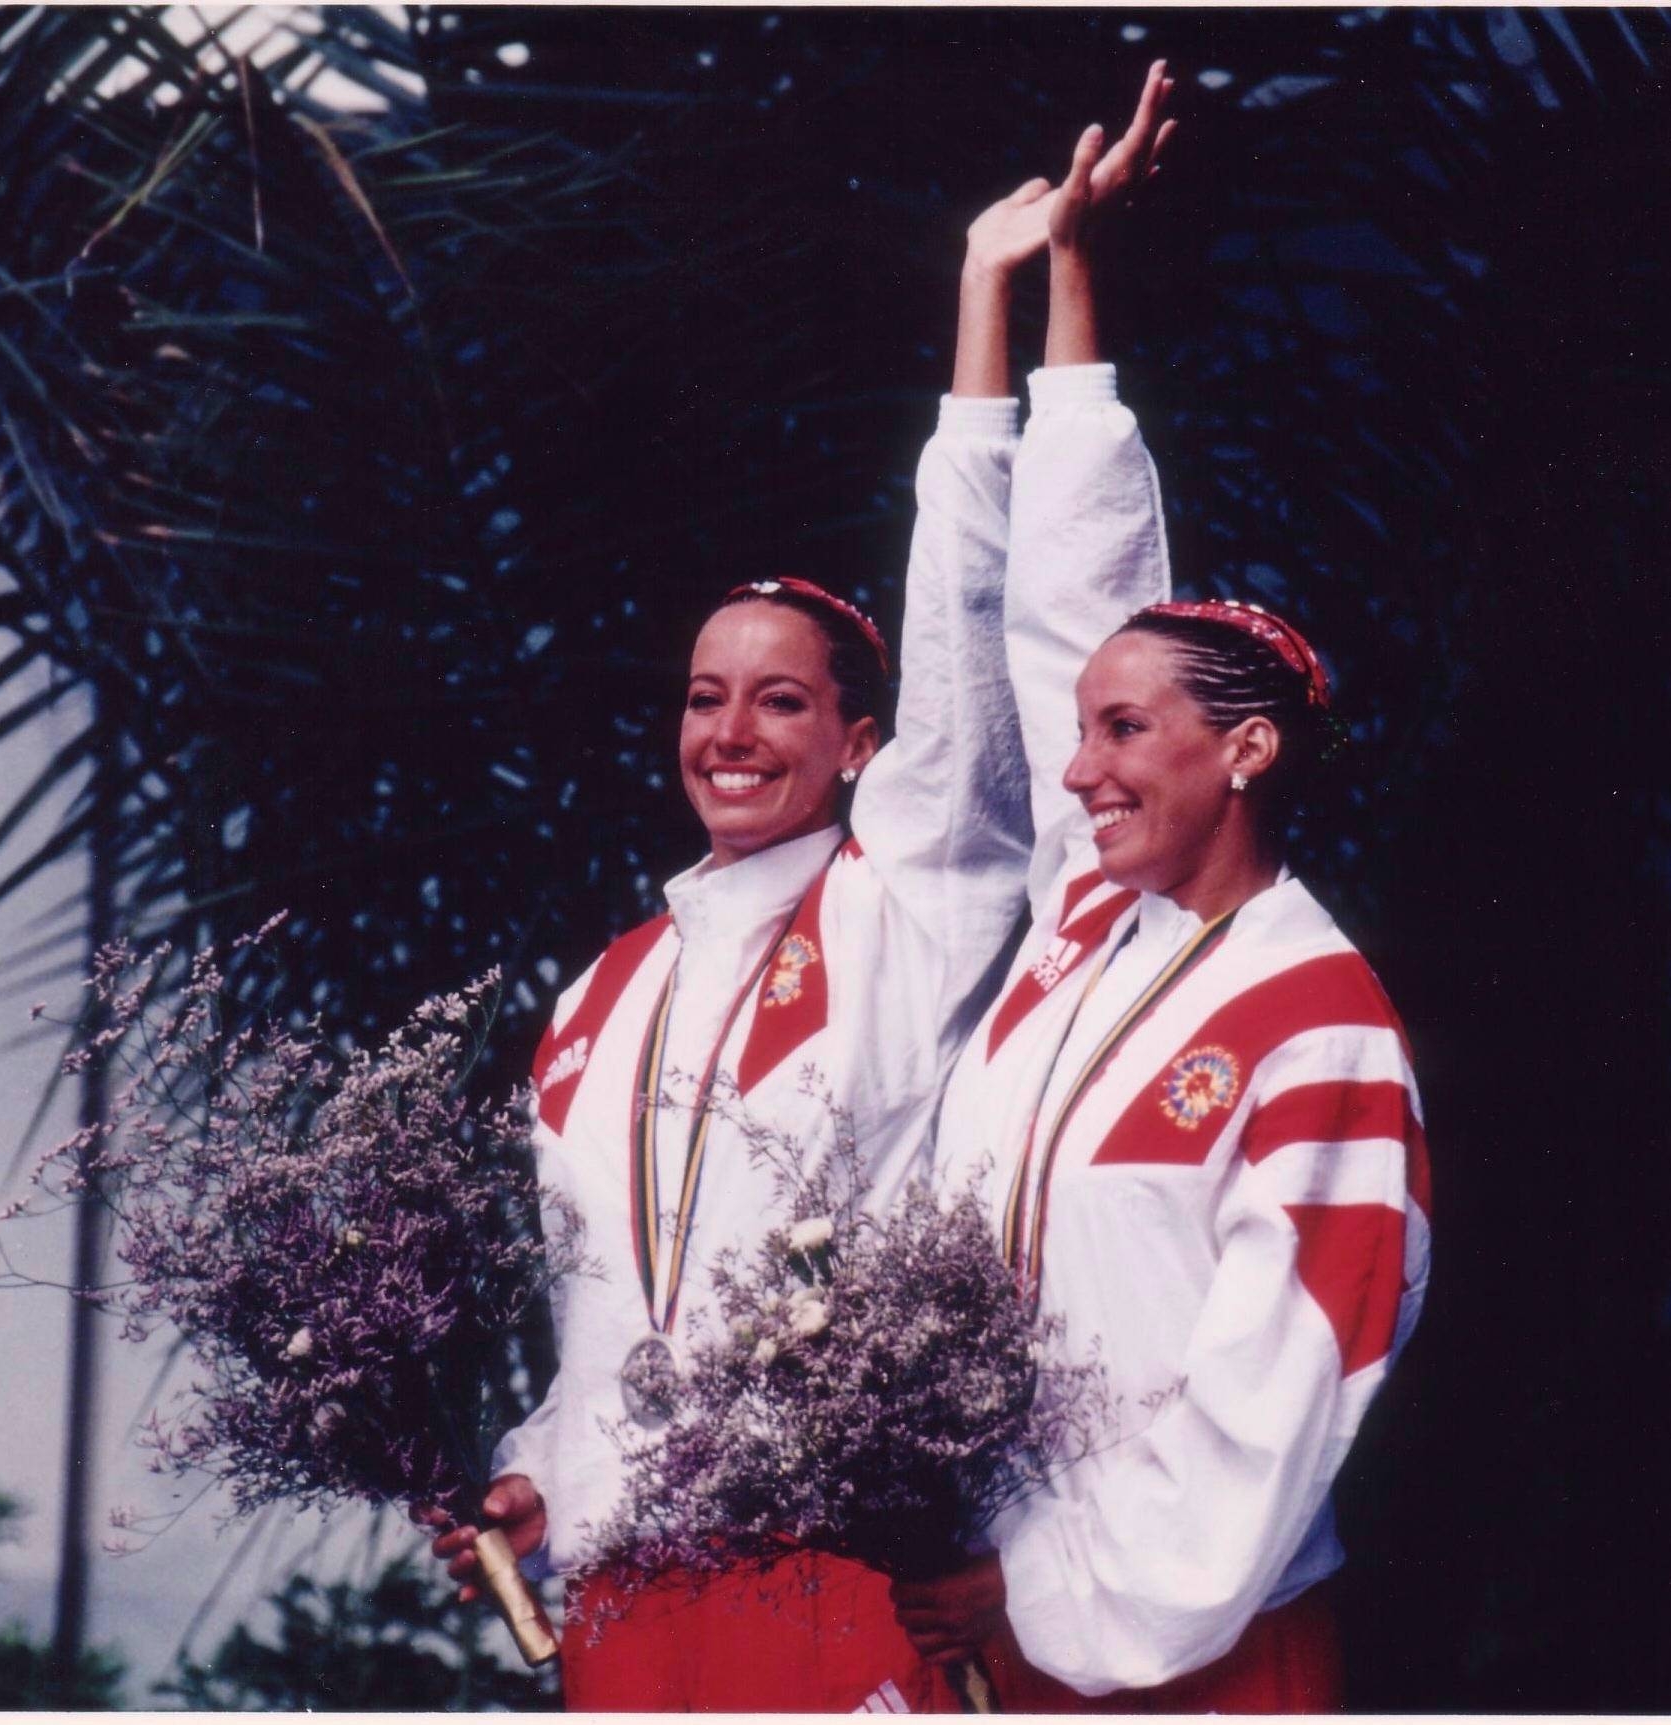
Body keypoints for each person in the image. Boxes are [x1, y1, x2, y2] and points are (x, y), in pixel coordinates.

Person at [431, 69, 1181, 1714]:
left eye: (780, 701)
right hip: (630, 1609)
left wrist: (992, 300)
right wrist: (540, 1480)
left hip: (835, 1580)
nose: (731, 732)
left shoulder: (902, 897)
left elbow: (968, 624)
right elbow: (606, 1314)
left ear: (857, 743)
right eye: (706, 696)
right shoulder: (598, 999)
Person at [891, 125, 1433, 1714]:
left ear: (1243, 750)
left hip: (1188, 1644)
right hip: (992, 1622)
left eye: (1124, 732)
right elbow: (1067, 592)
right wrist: (1039, 276)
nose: (1076, 771)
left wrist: (1040, 1579)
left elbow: (1278, 1390)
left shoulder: (1317, 1020)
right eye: (1083, 730)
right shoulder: (1083, 932)